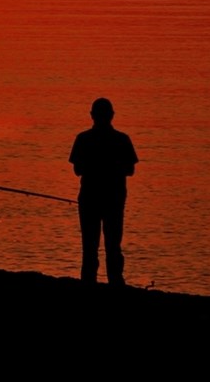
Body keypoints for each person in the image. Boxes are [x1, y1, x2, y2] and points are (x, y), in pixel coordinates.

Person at [69, 97, 138, 285]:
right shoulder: (122, 140)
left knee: (89, 246)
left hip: (89, 199)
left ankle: (88, 282)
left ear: (92, 116)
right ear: (112, 116)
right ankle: (115, 281)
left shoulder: (83, 139)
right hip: (114, 199)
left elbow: (77, 170)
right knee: (113, 244)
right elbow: (130, 170)